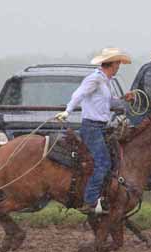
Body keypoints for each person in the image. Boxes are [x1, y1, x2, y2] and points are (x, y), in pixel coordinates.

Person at [55, 48, 134, 214]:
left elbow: (108, 103)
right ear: (111, 64)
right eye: (117, 63)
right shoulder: (95, 79)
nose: (119, 66)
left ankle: (102, 196)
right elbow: (79, 94)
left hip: (100, 127)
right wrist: (67, 110)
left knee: (109, 160)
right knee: (103, 162)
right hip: (92, 127)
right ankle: (90, 201)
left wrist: (123, 101)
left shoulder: (105, 81)